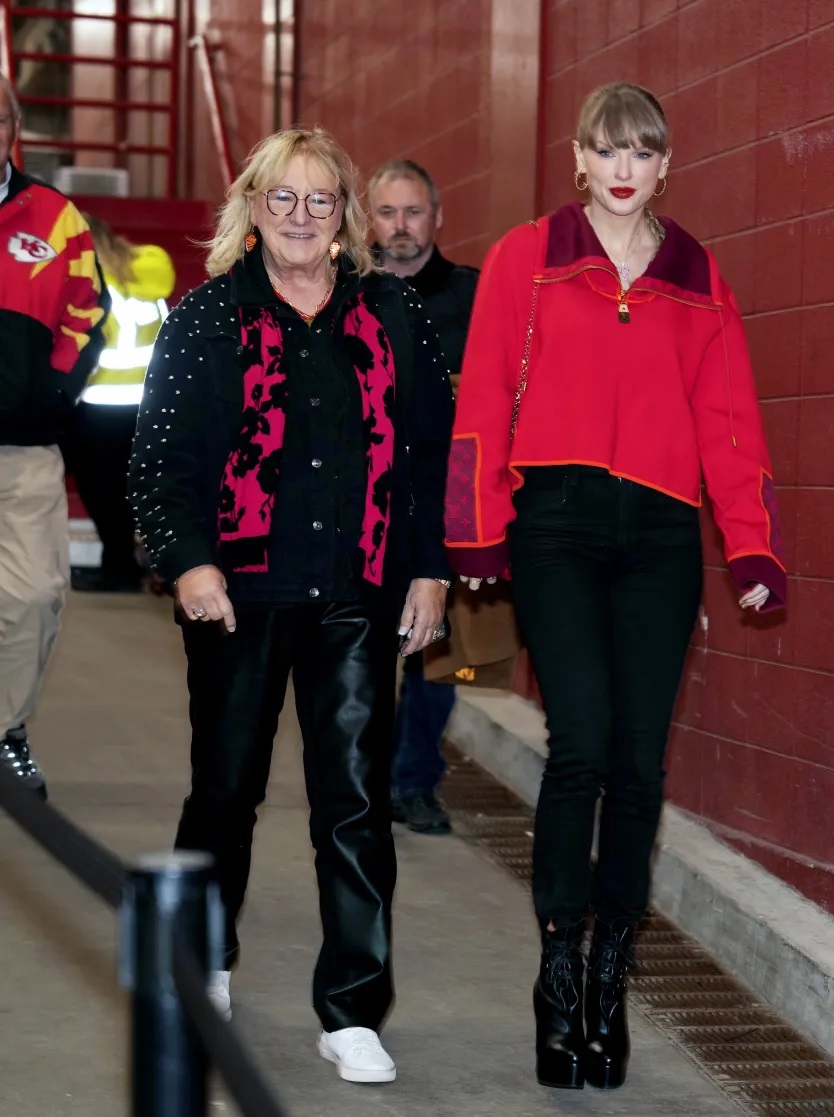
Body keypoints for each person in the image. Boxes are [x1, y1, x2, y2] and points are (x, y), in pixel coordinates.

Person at [444, 83, 786, 1092]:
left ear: (667, 162)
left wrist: (754, 545)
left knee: (639, 764)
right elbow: (479, 389)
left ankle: (609, 979)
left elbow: (730, 420)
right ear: (581, 159)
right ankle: (557, 975)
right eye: (608, 149)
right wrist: (474, 532)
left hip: (663, 542)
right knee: (582, 744)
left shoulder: (696, 276)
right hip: (556, 527)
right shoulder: (528, 257)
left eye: (644, 150)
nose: (625, 167)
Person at [129, 126, 453, 1084]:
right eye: (284, 199)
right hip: (238, 594)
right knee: (225, 789)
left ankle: (353, 1009)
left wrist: (429, 568)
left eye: (321, 200)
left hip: (359, 592)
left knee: (353, 802)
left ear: (344, 216)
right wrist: (189, 564)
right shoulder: (207, 317)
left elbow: (432, 454)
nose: (302, 217)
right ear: (252, 208)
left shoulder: (393, 313)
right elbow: (160, 458)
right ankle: (204, 964)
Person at [0, 71, 109, 799]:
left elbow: (90, 312)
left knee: (35, 596)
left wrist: (52, 392)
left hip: (23, 449)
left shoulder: (54, 218)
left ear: (8, 127)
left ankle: (5, 727)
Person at [369, 159, 478, 835]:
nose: (401, 226)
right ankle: (365, 781)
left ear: (437, 219)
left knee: (441, 656)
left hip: (450, 504)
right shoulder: (345, 294)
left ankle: (414, 781)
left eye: (414, 212)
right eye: (387, 212)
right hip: (370, 504)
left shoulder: (479, 296)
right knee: (364, 652)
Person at [62, 214, 175, 593]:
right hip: (151, 404)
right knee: (138, 490)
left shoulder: (84, 282)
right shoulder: (150, 267)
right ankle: (134, 564)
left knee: (103, 493)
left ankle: (119, 568)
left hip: (97, 407)